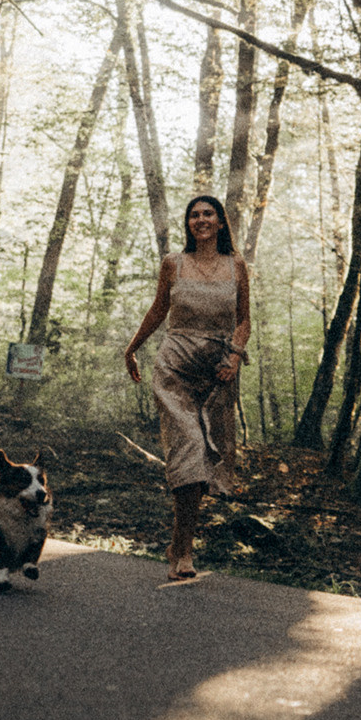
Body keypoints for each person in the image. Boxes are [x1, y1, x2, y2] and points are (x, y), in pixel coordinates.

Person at [123, 195, 251, 580]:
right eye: (194, 215)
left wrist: (235, 356)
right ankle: (183, 551)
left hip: (217, 372)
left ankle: (179, 542)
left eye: (208, 213)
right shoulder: (173, 264)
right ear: (188, 224)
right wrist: (132, 349)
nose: (201, 220)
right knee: (189, 452)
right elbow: (158, 310)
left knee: (209, 459)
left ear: (221, 221)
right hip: (175, 366)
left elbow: (244, 320)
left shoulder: (237, 265)